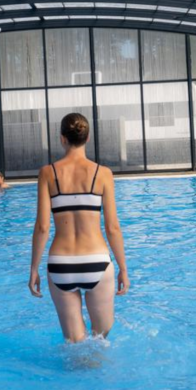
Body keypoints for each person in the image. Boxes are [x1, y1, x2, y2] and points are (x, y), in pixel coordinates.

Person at [29, 113, 129, 343]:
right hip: (96, 260)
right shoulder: (103, 174)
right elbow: (112, 227)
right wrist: (123, 267)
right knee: (100, 336)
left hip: (60, 264)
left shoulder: (47, 173)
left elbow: (42, 226)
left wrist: (33, 268)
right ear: (88, 137)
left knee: (74, 342)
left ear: (62, 139)